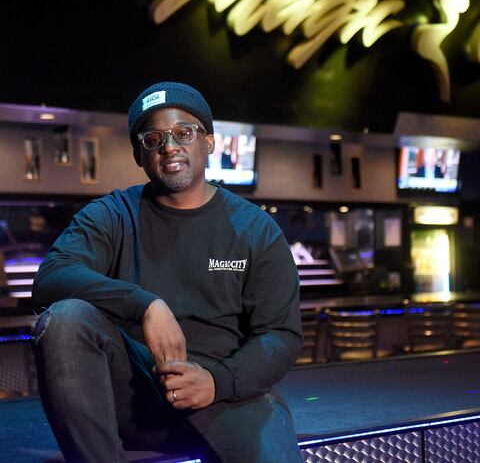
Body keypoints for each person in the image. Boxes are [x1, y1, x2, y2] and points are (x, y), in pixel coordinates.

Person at [31, 81, 304, 463]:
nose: (169, 146)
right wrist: (145, 305)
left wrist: (216, 381)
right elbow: (51, 277)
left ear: (208, 142)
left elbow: (281, 334)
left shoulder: (254, 229)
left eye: (183, 133)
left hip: (227, 397)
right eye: (153, 138)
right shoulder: (113, 214)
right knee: (64, 319)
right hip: (135, 399)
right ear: (139, 155)